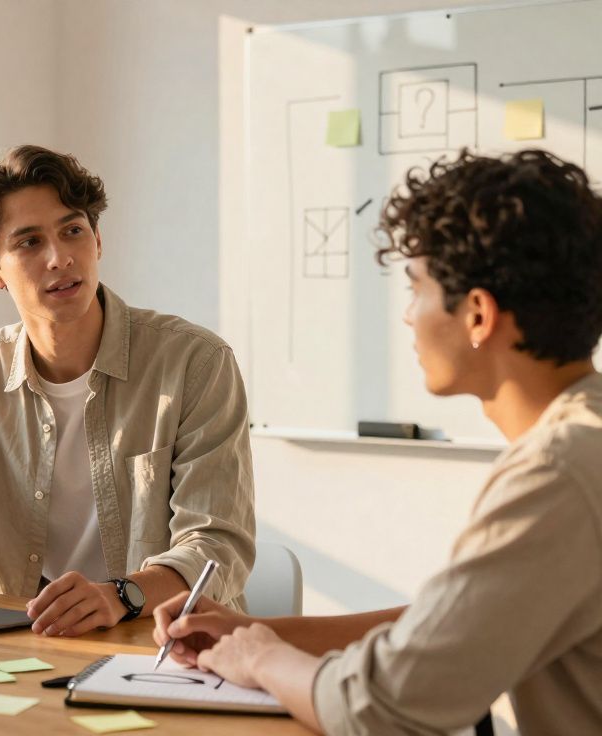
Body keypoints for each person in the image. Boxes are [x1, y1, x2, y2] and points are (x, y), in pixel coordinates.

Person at [151, 150, 602, 734]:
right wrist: (258, 633)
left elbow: (381, 708)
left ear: (478, 316)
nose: (409, 317)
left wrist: (260, 658)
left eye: (416, 289)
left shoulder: (556, 474)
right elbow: (452, 628)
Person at [0, 144, 256, 637]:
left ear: (98, 240)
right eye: (28, 243)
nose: (60, 258)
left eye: (72, 231)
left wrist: (120, 595)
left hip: (174, 649)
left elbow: (217, 547)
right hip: (33, 649)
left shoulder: (195, 363)